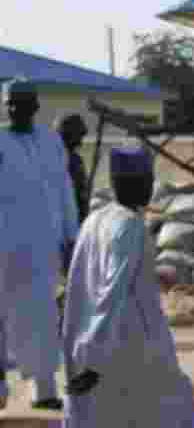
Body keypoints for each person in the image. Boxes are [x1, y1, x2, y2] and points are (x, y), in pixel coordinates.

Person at [62, 146, 194, 427]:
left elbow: (78, 287)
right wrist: (93, 360)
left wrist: (79, 348)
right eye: (147, 179)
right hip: (131, 347)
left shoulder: (95, 219)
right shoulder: (130, 226)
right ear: (132, 183)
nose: (151, 186)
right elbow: (111, 294)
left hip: (101, 342)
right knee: (167, 411)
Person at [0, 78, 78, 410]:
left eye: (22, 102)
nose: (16, 108)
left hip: (44, 246)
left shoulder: (50, 141)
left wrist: (70, 235)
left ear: (35, 106)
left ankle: (44, 390)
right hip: (4, 245)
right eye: (10, 103)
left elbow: (64, 190)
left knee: (43, 316)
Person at [55, 113, 90, 330]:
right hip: (66, 227)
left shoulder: (74, 159)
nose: (82, 139)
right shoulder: (60, 160)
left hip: (77, 224)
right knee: (73, 277)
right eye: (78, 135)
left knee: (75, 277)